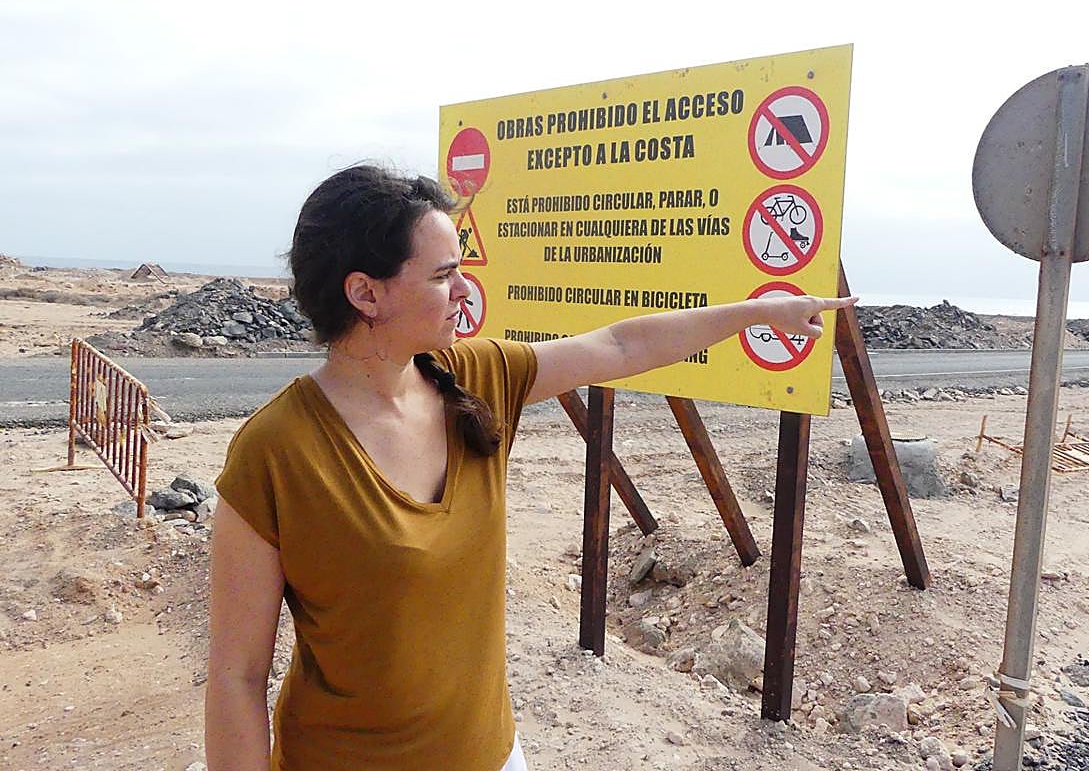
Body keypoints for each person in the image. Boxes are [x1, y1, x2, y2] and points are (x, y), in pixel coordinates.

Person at [204, 163, 855, 770]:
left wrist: (757, 312)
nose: (464, 290)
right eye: (442, 276)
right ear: (365, 294)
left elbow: (620, 344)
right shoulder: (276, 451)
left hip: (491, 754)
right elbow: (236, 677)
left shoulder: (478, 378)